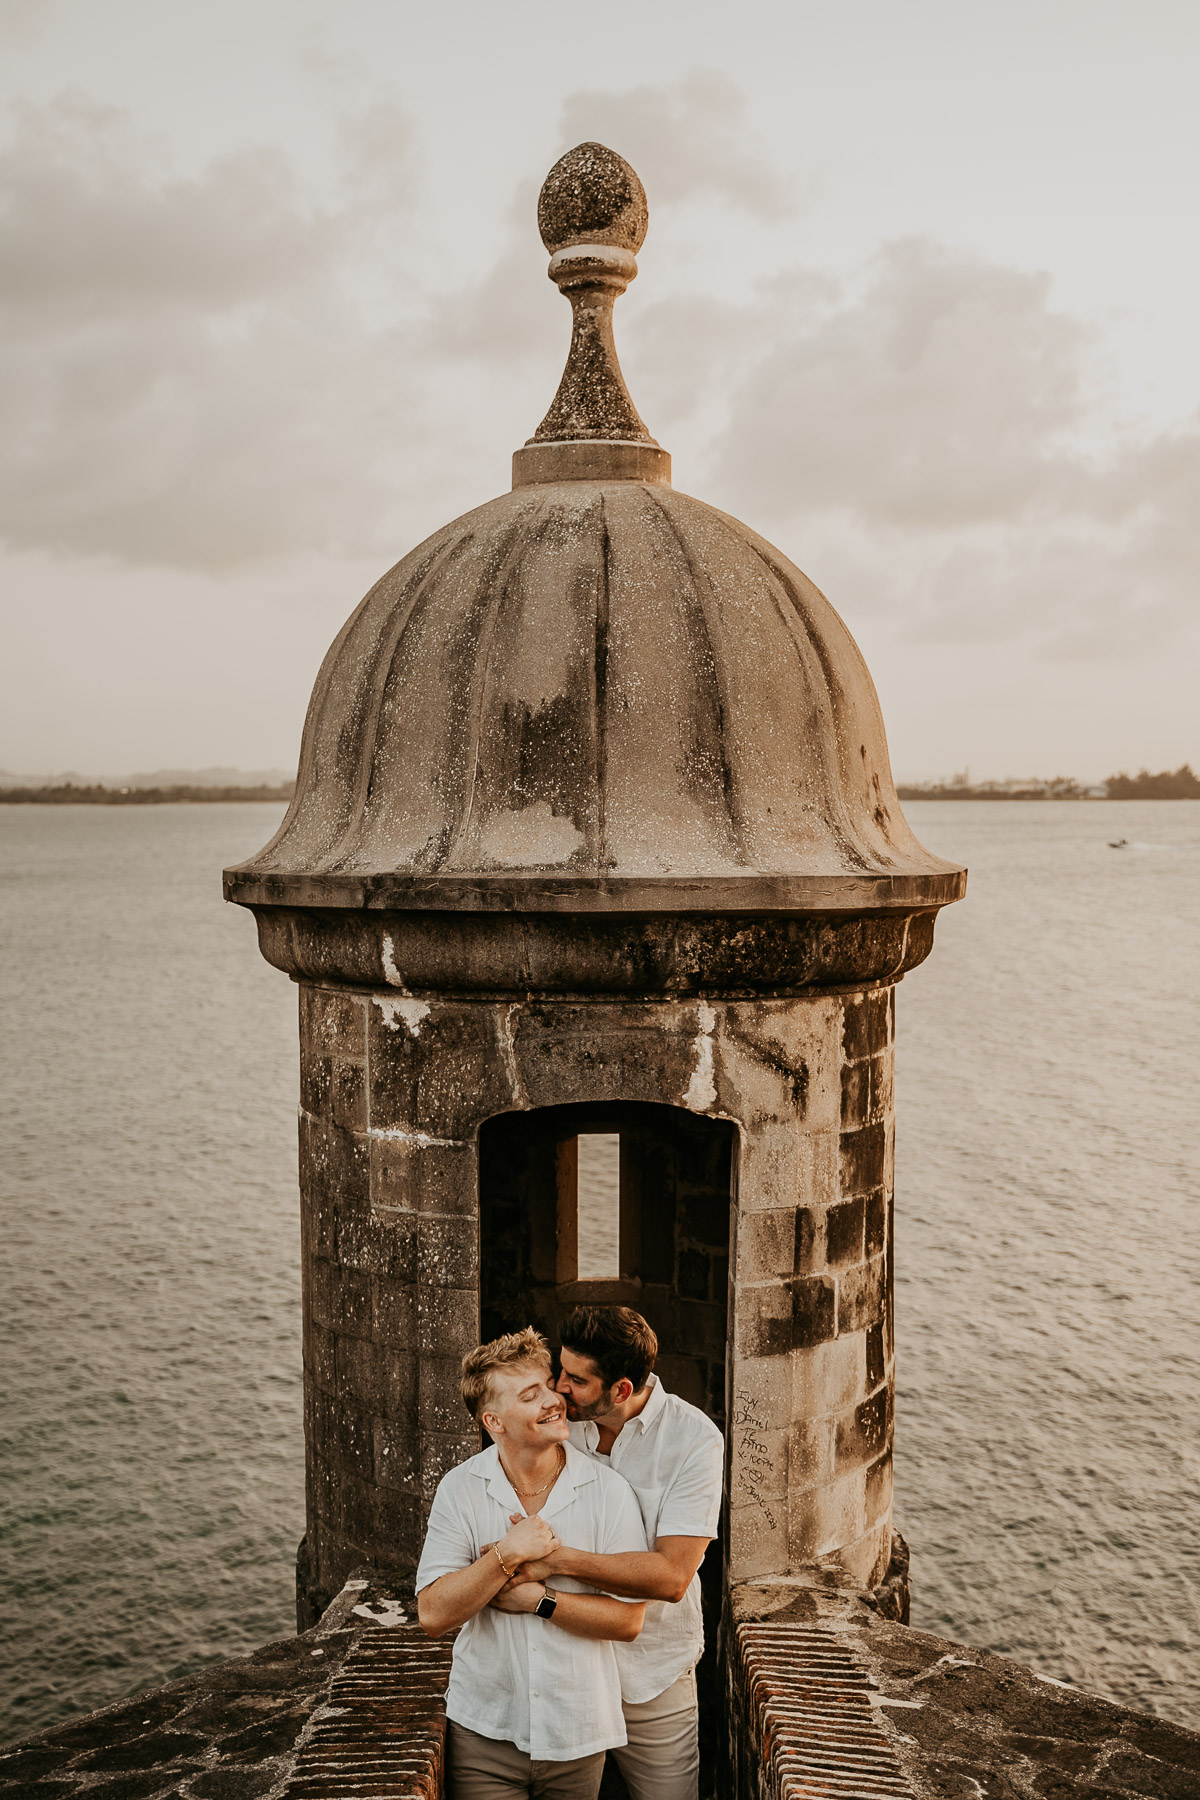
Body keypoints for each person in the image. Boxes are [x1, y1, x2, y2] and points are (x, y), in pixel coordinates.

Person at [416, 1326, 649, 1800]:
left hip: (578, 1730)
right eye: (530, 1394)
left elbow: (629, 1621)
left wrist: (540, 1601)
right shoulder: (460, 1490)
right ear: (494, 1422)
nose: (554, 1399)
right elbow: (433, 1613)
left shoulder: (608, 1492)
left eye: (548, 1384)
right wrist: (509, 1553)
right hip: (485, 1729)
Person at [511, 1307, 724, 1800]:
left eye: (576, 1380)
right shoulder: (554, 1421)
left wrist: (557, 1562)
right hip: (562, 1657)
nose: (558, 1388)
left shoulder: (693, 1440)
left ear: (622, 1389)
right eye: (560, 1371)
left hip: (653, 1668)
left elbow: (672, 1577)